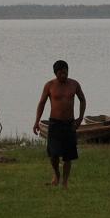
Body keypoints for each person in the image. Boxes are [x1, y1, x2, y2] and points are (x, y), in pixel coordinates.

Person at [33, 59, 87, 188]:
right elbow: (41, 103)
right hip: (55, 123)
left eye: (65, 72)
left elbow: (82, 100)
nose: (63, 75)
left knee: (68, 156)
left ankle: (65, 182)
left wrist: (80, 118)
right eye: (60, 73)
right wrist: (36, 122)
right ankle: (56, 175)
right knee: (53, 154)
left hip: (69, 124)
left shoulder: (74, 84)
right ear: (55, 73)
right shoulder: (50, 85)